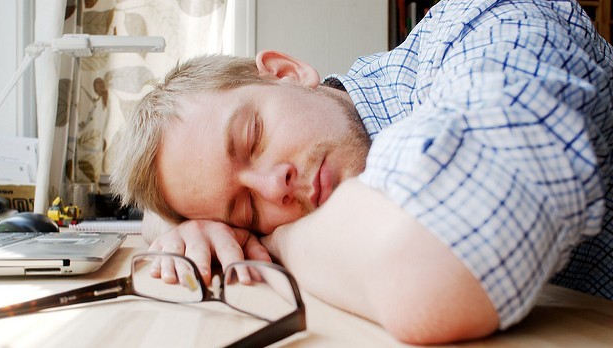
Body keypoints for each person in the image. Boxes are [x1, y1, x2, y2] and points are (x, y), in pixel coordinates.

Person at [110, 0, 613, 344]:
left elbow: (433, 266)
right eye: (244, 209)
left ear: (287, 72)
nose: (273, 187)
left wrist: (283, 243)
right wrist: (188, 229)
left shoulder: (484, 22)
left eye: (253, 138)